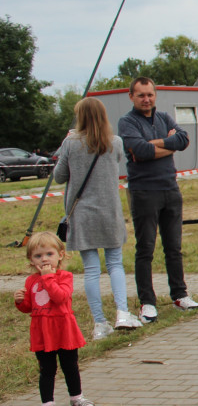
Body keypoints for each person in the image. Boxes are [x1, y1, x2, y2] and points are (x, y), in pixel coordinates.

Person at [54, 98, 139, 339]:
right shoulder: (115, 142)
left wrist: (67, 143)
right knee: (115, 264)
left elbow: (59, 176)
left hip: (82, 215)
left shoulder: (70, 144)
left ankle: (99, 323)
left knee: (91, 270)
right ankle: (122, 312)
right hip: (109, 211)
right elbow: (118, 162)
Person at [118, 77, 198, 322]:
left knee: (174, 248)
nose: (146, 99)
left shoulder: (164, 117)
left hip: (170, 189)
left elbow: (183, 140)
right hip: (144, 192)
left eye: (150, 94)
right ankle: (147, 302)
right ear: (131, 96)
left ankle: (179, 294)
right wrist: (168, 143)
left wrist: (155, 145)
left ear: (155, 95)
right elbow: (140, 151)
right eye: (141, 95)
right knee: (145, 249)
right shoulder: (127, 122)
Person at [15, 232, 95, 406]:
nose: (44, 259)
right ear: (31, 260)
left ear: (60, 255)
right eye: (38, 255)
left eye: (49, 254)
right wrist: (20, 302)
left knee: (70, 366)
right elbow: (30, 307)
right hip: (42, 332)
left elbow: (60, 297)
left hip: (64, 329)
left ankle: (76, 397)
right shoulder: (31, 281)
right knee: (47, 369)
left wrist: (48, 278)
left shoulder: (65, 277)